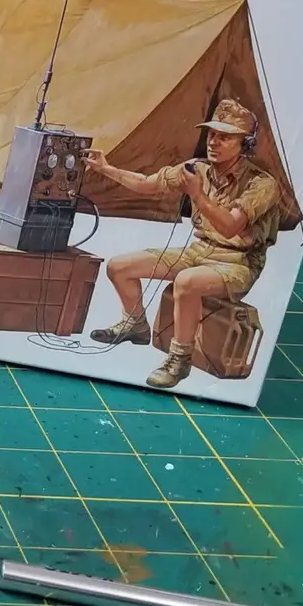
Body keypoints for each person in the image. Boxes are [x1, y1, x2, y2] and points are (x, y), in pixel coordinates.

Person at [82, 97, 281, 390]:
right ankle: (135, 324)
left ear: (245, 144)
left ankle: (179, 358)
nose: (213, 142)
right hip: (198, 251)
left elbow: (230, 227)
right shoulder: (197, 169)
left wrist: (198, 195)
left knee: (186, 282)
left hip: (237, 263)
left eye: (225, 137)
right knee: (119, 266)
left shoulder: (262, 184)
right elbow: (147, 184)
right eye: (212, 134)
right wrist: (106, 168)